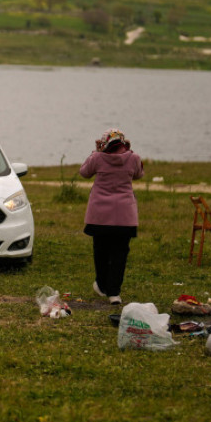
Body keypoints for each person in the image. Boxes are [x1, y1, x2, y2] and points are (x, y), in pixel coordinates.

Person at [79, 128, 144, 306]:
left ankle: (102, 285)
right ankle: (114, 293)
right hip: (125, 215)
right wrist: (129, 151)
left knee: (100, 250)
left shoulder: (97, 158)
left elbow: (84, 172)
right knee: (120, 254)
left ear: (104, 143)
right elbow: (139, 174)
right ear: (123, 143)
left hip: (99, 214)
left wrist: (96, 151)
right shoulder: (134, 158)